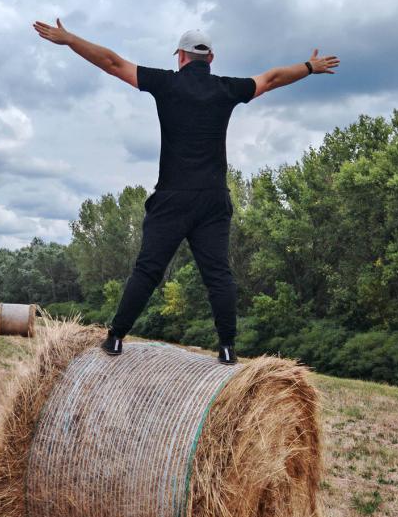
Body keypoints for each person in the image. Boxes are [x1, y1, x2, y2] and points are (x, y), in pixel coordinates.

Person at [33, 18, 339, 364]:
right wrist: (310, 67)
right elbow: (271, 78)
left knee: (148, 270)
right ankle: (226, 348)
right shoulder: (227, 88)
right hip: (212, 199)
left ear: (180, 57)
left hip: (172, 197)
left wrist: (70, 39)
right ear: (211, 59)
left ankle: (116, 338)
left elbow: (112, 63)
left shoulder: (166, 84)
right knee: (218, 274)